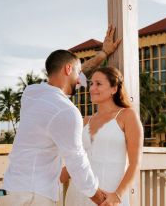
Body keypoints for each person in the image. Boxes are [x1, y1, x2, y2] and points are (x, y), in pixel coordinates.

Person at [0, 26, 121, 206]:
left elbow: (68, 78)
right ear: (68, 69)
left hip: (10, 190)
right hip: (34, 196)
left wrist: (103, 54)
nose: (80, 79)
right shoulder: (67, 111)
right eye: (77, 72)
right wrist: (99, 198)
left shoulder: (31, 93)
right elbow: (76, 159)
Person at [61, 67, 143, 206]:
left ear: (114, 89)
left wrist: (117, 195)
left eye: (98, 84)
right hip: (78, 193)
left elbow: (135, 163)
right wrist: (50, 180)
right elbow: (76, 159)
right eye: (91, 84)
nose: (92, 88)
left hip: (108, 197)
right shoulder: (86, 120)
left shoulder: (127, 116)